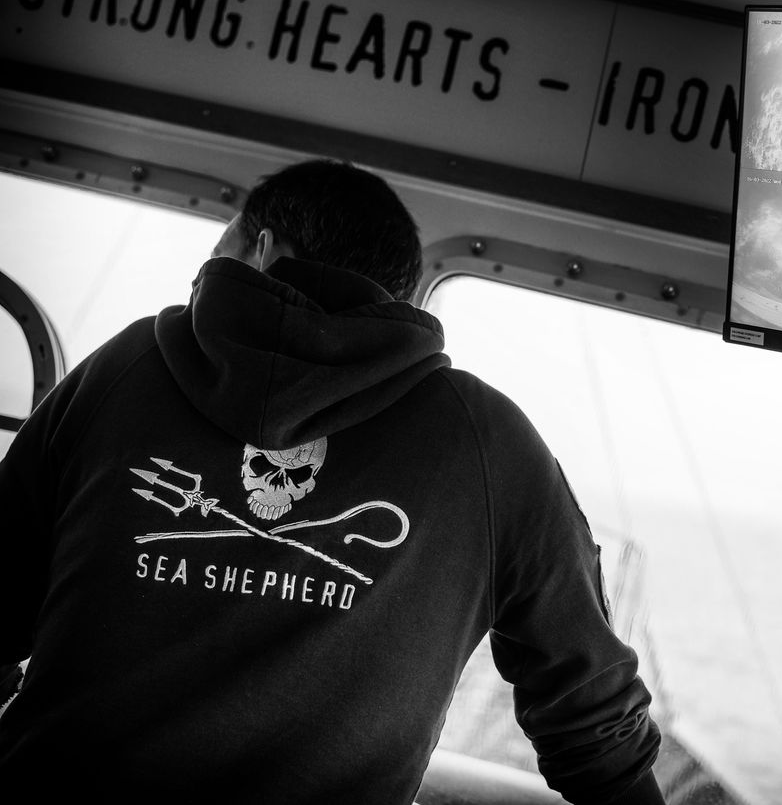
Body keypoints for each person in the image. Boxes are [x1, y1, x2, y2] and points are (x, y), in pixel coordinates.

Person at [0, 159, 664, 804]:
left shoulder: (125, 369)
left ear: (261, 250)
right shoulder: (487, 440)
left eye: (216, 254)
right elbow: (591, 714)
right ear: (397, 293)